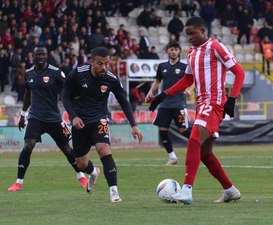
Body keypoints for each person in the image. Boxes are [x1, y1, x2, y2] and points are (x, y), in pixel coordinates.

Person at [148, 17, 245, 204]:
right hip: (202, 104)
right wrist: (163, 95)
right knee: (205, 154)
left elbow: (239, 72)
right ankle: (230, 190)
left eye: (193, 33)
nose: (190, 37)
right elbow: (187, 80)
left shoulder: (216, 47)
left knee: (193, 139)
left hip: (215, 103)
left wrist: (232, 99)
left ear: (203, 30)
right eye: (187, 34)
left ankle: (186, 189)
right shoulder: (191, 53)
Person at [62, 47, 143, 203]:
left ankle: (114, 192)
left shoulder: (111, 79)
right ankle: (93, 172)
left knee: (104, 149)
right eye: (100, 63)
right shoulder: (78, 73)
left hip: (99, 119)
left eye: (107, 63)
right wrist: (73, 116)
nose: (104, 67)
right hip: (80, 123)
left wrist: (133, 124)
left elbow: (124, 101)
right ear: (92, 61)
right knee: (80, 164)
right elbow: (65, 96)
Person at [8, 45, 87, 192]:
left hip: (54, 118)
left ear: (46, 56)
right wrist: (23, 115)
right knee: (28, 146)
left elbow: (68, 89)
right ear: (33, 55)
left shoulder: (56, 72)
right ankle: (18, 182)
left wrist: (76, 108)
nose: (40, 57)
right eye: (37, 54)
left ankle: (81, 176)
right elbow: (27, 94)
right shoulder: (29, 73)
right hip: (35, 117)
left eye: (43, 54)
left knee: (67, 149)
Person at [145, 41, 192, 166]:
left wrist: (189, 90)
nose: (174, 51)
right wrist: (150, 92)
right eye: (171, 49)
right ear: (168, 51)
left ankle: (201, 146)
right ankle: (172, 157)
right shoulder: (162, 66)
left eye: (176, 49)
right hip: (165, 104)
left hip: (179, 104)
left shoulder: (184, 67)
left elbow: (192, 81)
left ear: (179, 51)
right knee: (162, 130)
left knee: (184, 130)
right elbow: (157, 82)